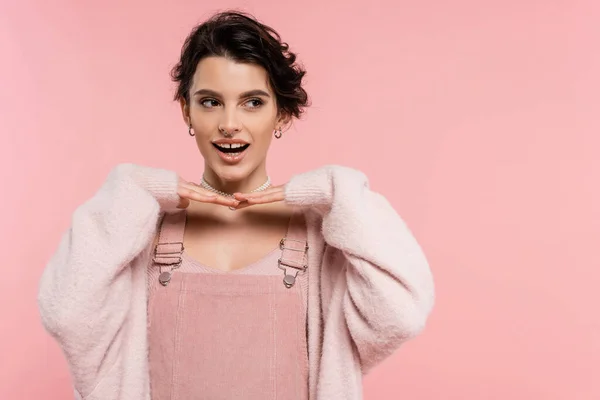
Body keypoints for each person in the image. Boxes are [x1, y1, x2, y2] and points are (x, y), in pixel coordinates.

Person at [37, 10, 435, 400]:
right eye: (210, 102)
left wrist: (336, 189)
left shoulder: (322, 240)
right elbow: (67, 312)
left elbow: (400, 313)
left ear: (282, 115)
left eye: (253, 102)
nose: (229, 122)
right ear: (186, 110)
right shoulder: (143, 234)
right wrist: (130, 188)